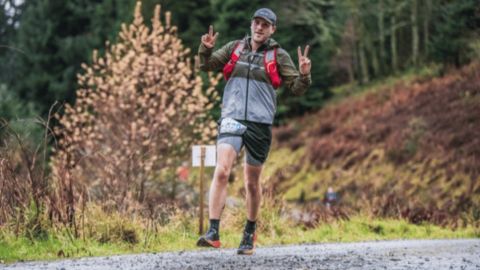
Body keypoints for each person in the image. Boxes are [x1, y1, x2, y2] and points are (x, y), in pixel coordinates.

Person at [196, 8, 312, 255]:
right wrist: (205, 48)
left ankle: (249, 232)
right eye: (256, 23)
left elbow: (297, 89)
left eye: (265, 25)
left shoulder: (278, 55)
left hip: (260, 124)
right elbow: (205, 66)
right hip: (232, 117)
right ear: (251, 25)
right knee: (222, 170)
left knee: (251, 182)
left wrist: (304, 74)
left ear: (272, 30)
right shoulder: (234, 48)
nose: (259, 28)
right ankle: (213, 231)